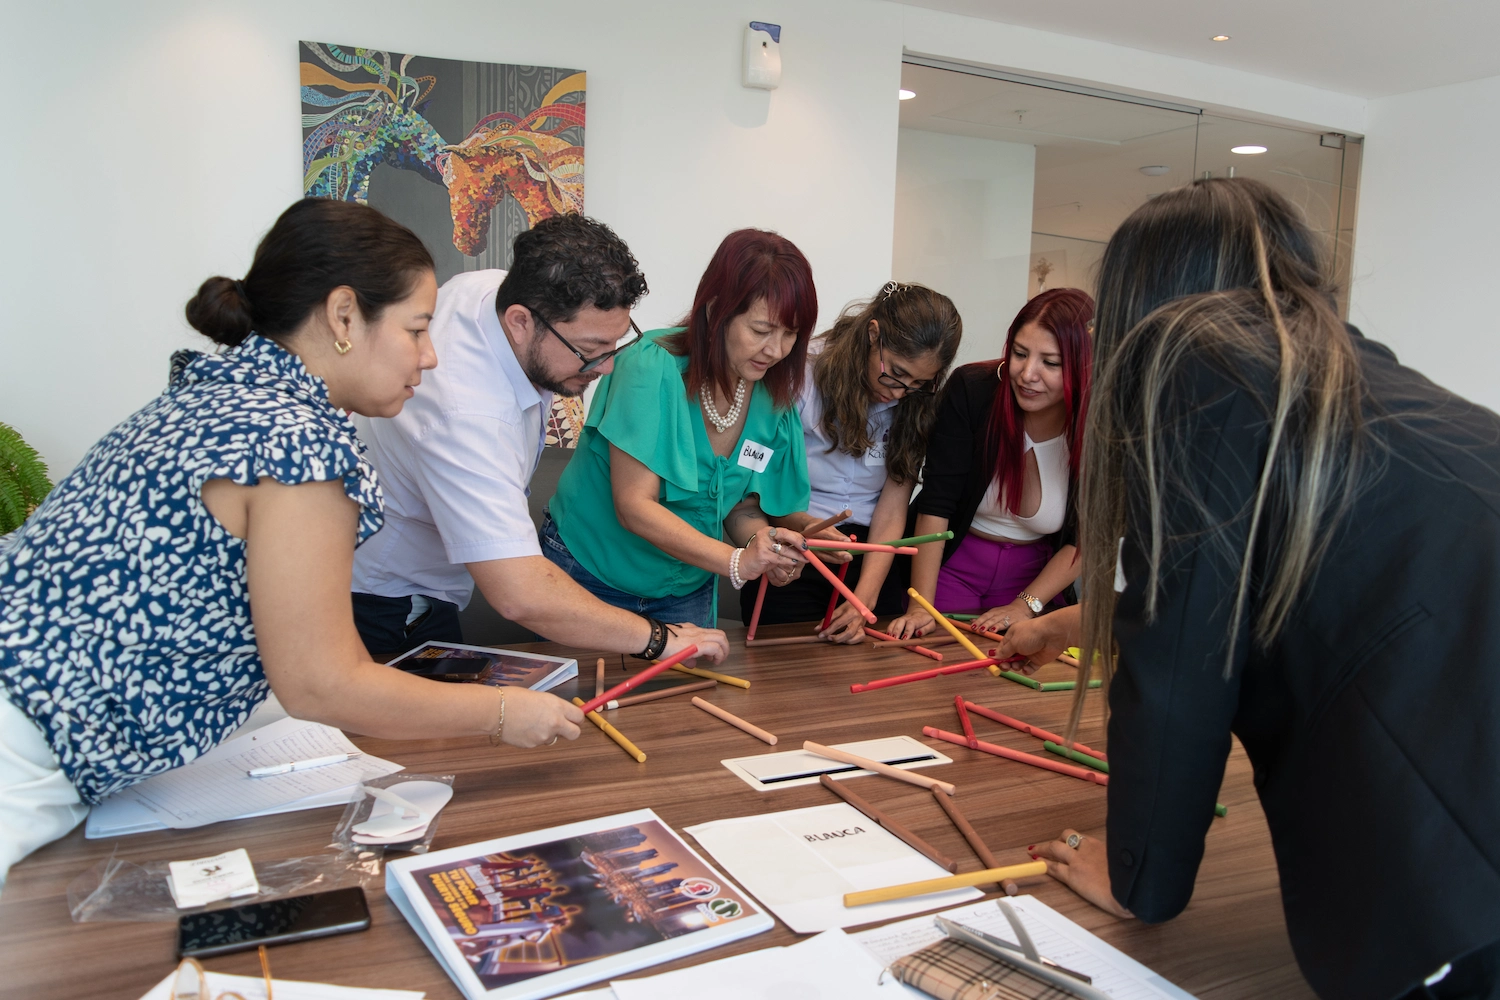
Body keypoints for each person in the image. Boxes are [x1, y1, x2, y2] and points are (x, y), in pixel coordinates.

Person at [1001, 178, 1500, 1000]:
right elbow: (1275, 578)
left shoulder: (1195, 373)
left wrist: (1140, 880)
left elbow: (1181, 675)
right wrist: (1088, 624)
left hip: (1456, 866)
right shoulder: (1352, 367)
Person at [0, 200, 585, 886]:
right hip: (28, 738)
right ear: (343, 316)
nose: (430, 357)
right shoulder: (299, 444)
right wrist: (505, 712)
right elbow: (320, 680)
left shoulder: (221, 388)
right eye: (417, 330)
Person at [350, 214, 727, 666]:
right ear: (520, 322)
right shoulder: (465, 415)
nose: (605, 368)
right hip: (384, 598)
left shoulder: (493, 291)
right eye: (588, 351)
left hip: (427, 582)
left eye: (614, 345)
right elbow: (520, 595)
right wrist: (660, 639)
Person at [543, 229, 818, 626]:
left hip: (685, 586)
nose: (775, 351)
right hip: (592, 572)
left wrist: (766, 546)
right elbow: (634, 507)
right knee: (582, 689)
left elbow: (738, 505)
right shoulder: (650, 367)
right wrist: (737, 561)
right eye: (761, 331)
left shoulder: (771, 396)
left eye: (791, 334)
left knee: (689, 690)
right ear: (716, 311)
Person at [740, 281, 963, 640]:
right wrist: (804, 527)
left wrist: (866, 597)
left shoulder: (915, 401)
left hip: (874, 553)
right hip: (796, 545)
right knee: (781, 671)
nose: (898, 392)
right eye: (897, 373)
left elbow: (892, 510)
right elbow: (762, 485)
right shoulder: (804, 372)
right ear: (873, 334)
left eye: (919, 383)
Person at [888, 288, 1093, 640]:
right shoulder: (974, 389)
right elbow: (937, 502)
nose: (1028, 374)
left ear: (1084, 366)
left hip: (1035, 580)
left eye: (1051, 362)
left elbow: (1086, 538)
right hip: (949, 565)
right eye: (1019, 354)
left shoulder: (1100, 422)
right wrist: (921, 605)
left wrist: (1024, 605)